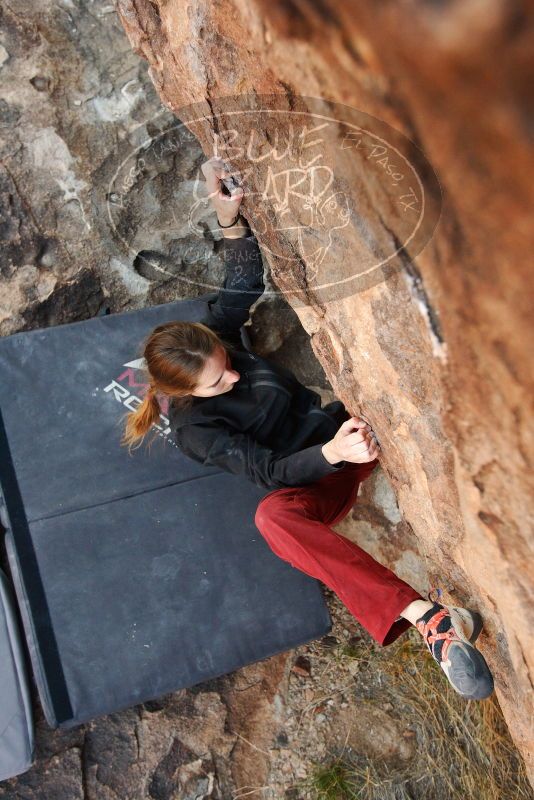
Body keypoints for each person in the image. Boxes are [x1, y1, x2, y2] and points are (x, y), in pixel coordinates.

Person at [122, 157, 494, 700]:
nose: (231, 373)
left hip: (347, 429)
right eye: (215, 381)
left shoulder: (212, 338)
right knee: (273, 520)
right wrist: (331, 453)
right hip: (313, 473)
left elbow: (243, 282)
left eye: (226, 359)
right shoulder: (195, 432)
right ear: (185, 395)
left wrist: (228, 217)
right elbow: (270, 471)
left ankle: (436, 616)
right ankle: (428, 622)